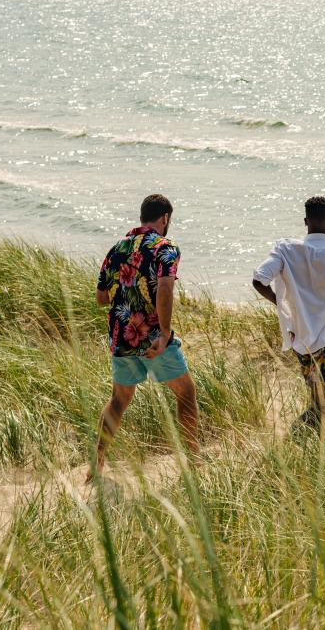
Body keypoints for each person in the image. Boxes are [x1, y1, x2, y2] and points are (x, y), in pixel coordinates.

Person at [88, 194, 198, 482]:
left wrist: (128, 295)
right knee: (185, 393)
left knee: (118, 401)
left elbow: (101, 297)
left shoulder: (118, 248)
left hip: (123, 338)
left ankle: (96, 465)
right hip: (153, 340)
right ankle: (195, 462)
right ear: (164, 218)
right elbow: (165, 288)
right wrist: (164, 333)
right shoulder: (165, 247)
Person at [252, 196, 325, 436]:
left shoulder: (285, 249)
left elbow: (259, 279)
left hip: (301, 343)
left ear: (305, 221)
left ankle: (321, 448)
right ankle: (296, 439)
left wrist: (280, 304)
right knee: (322, 407)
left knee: (319, 402)